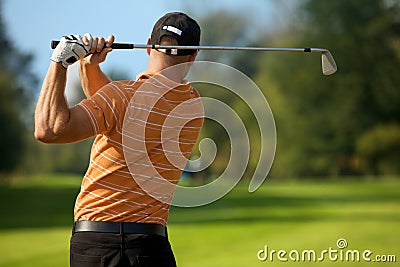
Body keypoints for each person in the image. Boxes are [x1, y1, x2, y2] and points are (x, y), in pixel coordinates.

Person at [34, 12, 203, 267]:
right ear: (193, 56)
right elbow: (116, 116)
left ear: (148, 45)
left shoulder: (120, 97)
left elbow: (48, 129)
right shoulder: (192, 106)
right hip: (150, 246)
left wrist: (60, 61)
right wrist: (90, 67)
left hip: (94, 243)